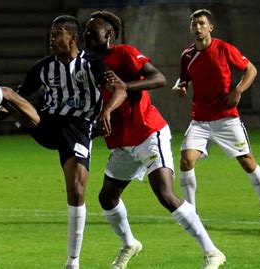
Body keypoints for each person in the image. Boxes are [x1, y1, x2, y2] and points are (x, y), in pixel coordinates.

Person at [0, 15, 113, 269]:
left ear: (72, 37)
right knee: (7, 93)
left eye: (57, 32)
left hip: (78, 129)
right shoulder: (43, 67)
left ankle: (73, 262)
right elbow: (17, 97)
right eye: (50, 32)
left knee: (76, 190)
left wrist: (108, 114)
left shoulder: (93, 64)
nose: (52, 37)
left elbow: (117, 91)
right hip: (46, 123)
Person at [84, 11, 226, 269]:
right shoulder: (89, 64)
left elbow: (159, 78)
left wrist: (126, 85)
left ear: (109, 35)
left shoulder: (124, 52)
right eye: (86, 31)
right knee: (107, 197)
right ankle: (129, 244)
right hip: (122, 141)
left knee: (165, 193)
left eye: (93, 31)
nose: (88, 34)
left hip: (149, 132)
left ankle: (212, 251)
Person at [173, 9, 260, 224]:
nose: (198, 28)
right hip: (200, 119)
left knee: (246, 161)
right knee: (187, 160)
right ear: (191, 29)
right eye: (194, 24)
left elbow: (251, 69)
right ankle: (191, 214)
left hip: (226, 118)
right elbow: (183, 81)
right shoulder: (187, 55)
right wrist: (180, 88)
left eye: (201, 23)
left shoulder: (224, 49)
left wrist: (238, 90)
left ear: (210, 27)